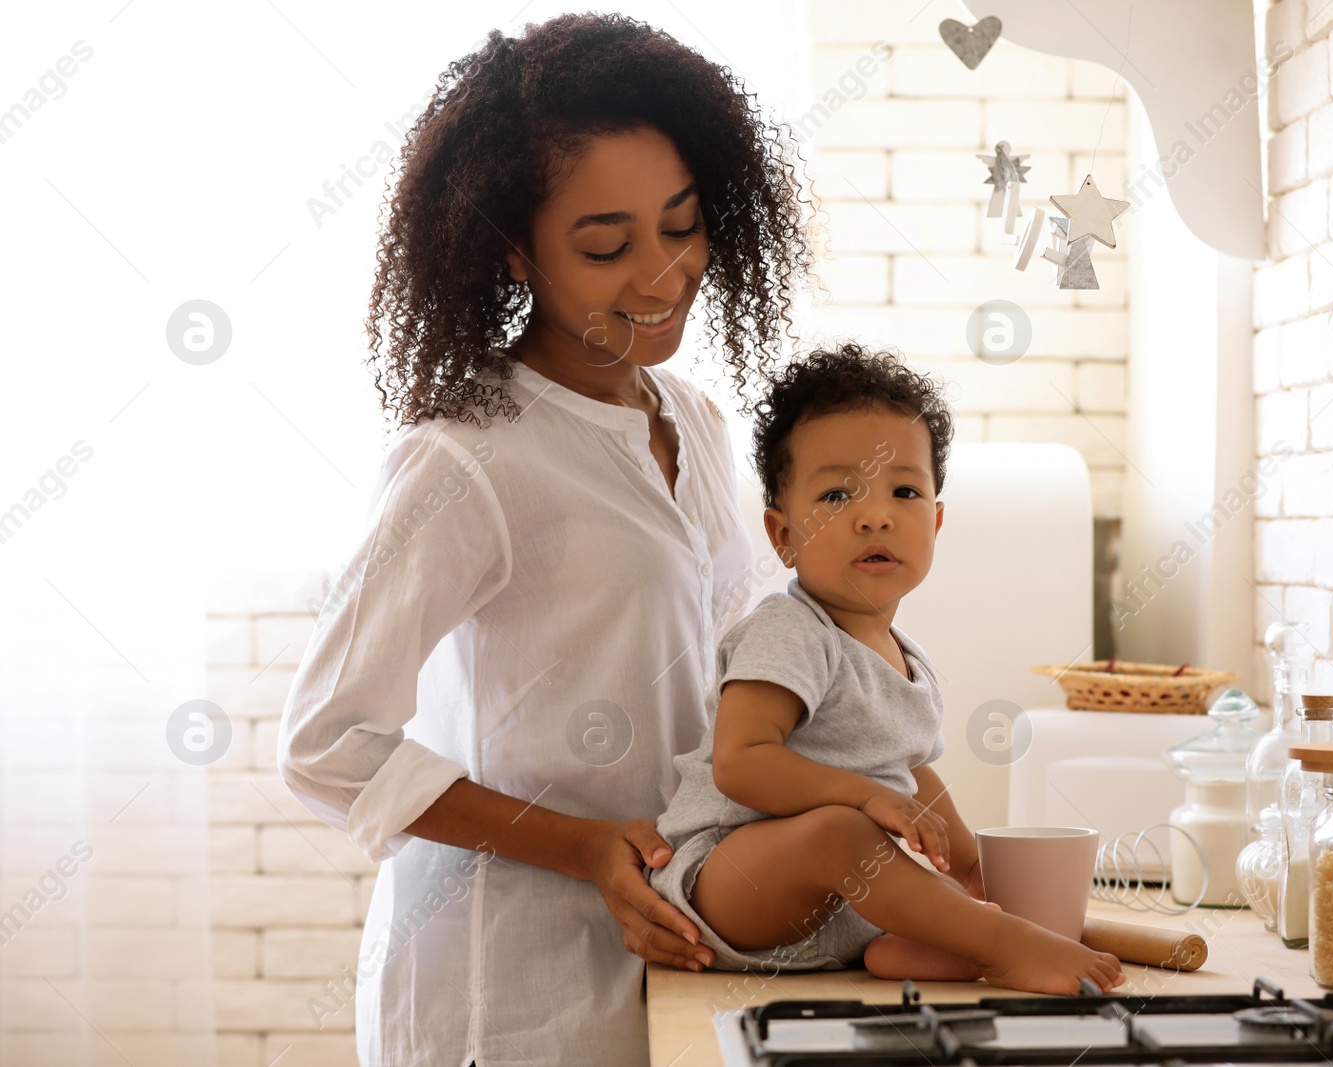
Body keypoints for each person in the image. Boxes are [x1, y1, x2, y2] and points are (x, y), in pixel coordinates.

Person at [277, 14, 816, 1065]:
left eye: (682, 223)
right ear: (515, 248)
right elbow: (325, 741)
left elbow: (731, 670)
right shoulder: (469, 457)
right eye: (606, 245)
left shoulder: (692, 422)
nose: (661, 274)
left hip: (664, 948)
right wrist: (581, 847)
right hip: (501, 988)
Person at [649, 344, 1127, 995]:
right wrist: (868, 795)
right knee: (842, 831)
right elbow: (742, 761)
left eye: (903, 490)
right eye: (838, 492)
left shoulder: (908, 659)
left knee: (917, 879)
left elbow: (910, 772)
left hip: (835, 905)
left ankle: (940, 941)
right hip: (728, 879)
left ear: (934, 521)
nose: (875, 513)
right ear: (782, 534)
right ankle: (999, 942)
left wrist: (968, 865)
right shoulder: (789, 630)